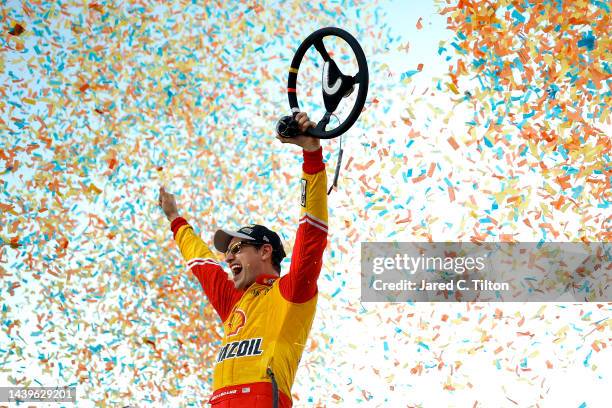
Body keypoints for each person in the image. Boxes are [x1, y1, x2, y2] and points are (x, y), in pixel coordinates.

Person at [158, 112, 328, 408]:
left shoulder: (291, 292)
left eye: (237, 248)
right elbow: (202, 263)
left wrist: (311, 157)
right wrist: (175, 218)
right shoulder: (233, 300)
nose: (228, 257)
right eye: (228, 251)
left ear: (265, 252)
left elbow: (311, 233)